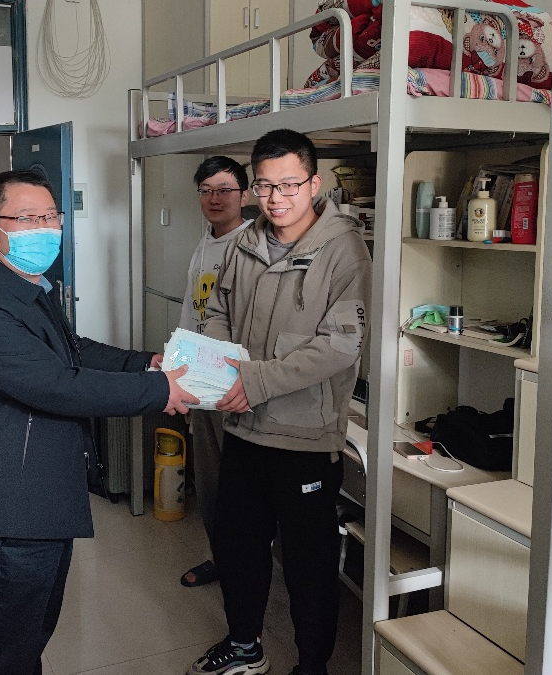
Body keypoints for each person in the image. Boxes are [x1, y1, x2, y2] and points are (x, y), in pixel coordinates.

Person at [0, 169, 199, 675]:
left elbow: (73, 351)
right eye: (26, 218)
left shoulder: (25, 288)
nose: (44, 229)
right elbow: (58, 385)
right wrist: (161, 391)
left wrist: (145, 364)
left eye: (50, 217)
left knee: (30, 634)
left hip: (40, 494)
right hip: (12, 506)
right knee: (4, 649)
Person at [188, 129, 372, 675]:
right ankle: (245, 646)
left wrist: (255, 381)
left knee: (308, 564)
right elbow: (216, 310)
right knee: (240, 546)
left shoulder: (344, 251)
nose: (276, 198)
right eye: (265, 185)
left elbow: (339, 346)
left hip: (304, 437)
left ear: (314, 184)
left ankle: (312, 665)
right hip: (243, 426)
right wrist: (222, 367)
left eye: (289, 184)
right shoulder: (245, 242)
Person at [179, 156, 253, 588]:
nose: (215, 198)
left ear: (245, 195)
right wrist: (181, 376)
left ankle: (244, 567)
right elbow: (192, 312)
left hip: (236, 383)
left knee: (239, 486)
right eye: (206, 190)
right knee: (208, 481)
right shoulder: (204, 242)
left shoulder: (253, 244)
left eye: (225, 189)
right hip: (200, 379)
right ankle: (220, 558)